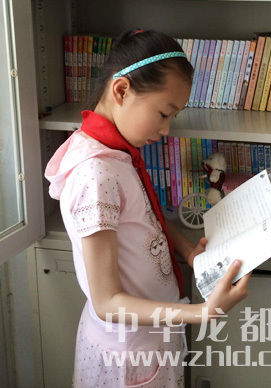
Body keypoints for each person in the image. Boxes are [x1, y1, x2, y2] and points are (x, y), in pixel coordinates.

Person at [45, 29, 250, 388]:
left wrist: (186, 250)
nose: (166, 129)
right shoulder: (95, 173)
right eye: (163, 113)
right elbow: (107, 301)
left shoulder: (114, 151)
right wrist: (203, 313)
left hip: (149, 340)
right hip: (129, 355)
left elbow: (142, 215)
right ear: (121, 91)